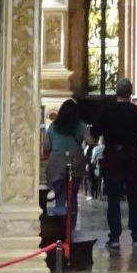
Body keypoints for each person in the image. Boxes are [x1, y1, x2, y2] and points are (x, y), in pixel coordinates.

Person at [89, 76, 137, 248]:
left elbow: (95, 131)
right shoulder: (136, 111)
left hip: (113, 156)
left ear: (116, 92)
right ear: (130, 93)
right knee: (134, 196)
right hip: (131, 156)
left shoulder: (106, 110)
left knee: (113, 198)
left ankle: (114, 237)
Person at [44, 98, 87, 234]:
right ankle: (72, 227)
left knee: (60, 197)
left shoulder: (53, 126)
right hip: (75, 160)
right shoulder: (80, 125)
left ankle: (60, 227)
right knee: (73, 196)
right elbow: (90, 140)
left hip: (57, 162)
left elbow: (46, 146)